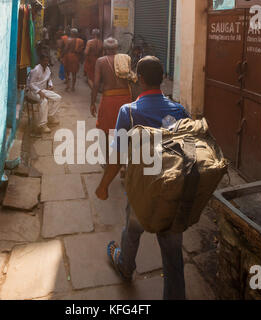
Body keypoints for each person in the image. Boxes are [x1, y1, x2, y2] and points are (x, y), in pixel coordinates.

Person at [95, 56, 190, 300]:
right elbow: (189, 151)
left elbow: (116, 157)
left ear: (140, 79)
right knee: (172, 254)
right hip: (171, 190)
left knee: (132, 230)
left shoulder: (129, 112)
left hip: (141, 191)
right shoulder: (179, 110)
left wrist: (104, 185)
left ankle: (126, 267)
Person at [90, 37, 132, 162]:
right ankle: (123, 164)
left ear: (104, 49)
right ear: (117, 48)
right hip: (126, 97)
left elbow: (96, 84)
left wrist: (92, 102)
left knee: (106, 130)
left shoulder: (101, 61)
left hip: (109, 98)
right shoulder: (125, 58)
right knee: (124, 130)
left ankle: (107, 160)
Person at [27, 54, 62, 134]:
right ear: (41, 61)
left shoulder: (47, 69)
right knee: (44, 101)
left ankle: (49, 116)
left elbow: (49, 79)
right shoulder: (36, 70)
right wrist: (39, 91)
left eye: (47, 61)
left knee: (58, 98)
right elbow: (31, 84)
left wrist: (50, 85)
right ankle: (42, 125)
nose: (46, 62)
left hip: (43, 90)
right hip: (32, 91)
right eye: (45, 61)